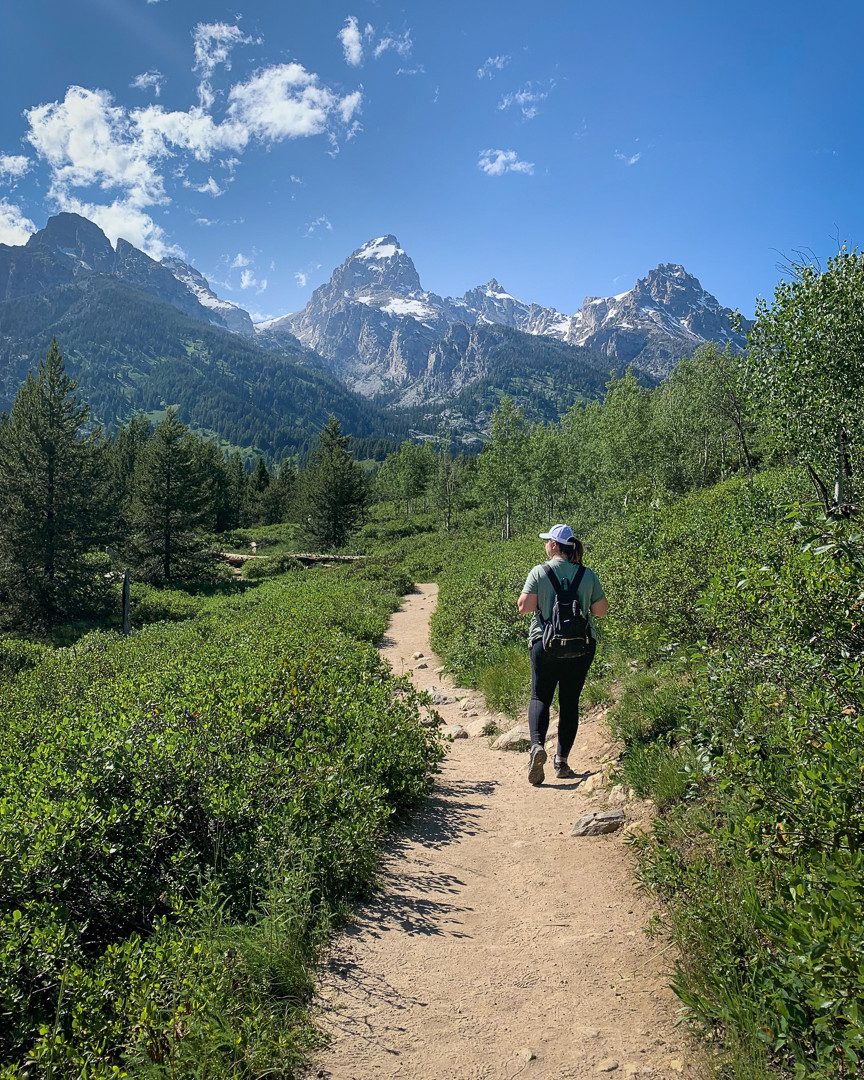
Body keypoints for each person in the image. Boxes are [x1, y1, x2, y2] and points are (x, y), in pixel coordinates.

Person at [517, 524, 608, 786]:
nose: (545, 544)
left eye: (548, 541)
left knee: (540, 695)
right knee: (569, 702)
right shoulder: (587, 574)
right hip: (581, 646)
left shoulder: (540, 571)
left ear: (555, 546)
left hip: (544, 644)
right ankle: (562, 762)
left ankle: (536, 746)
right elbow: (601, 611)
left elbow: (524, 607)